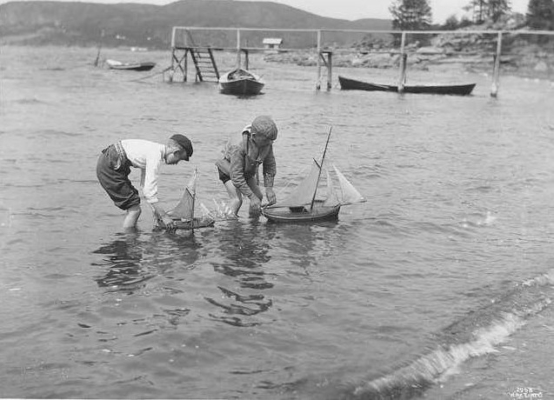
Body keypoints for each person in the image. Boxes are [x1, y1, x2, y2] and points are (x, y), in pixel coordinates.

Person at [96, 134, 193, 230]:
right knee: (135, 210)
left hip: (110, 161)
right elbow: (149, 192)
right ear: (176, 152)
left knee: (133, 202)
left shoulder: (154, 149)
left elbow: (145, 186)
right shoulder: (155, 156)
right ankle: (128, 240)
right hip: (109, 166)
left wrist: (155, 212)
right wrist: (164, 216)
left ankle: (130, 235)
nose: (176, 163)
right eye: (179, 159)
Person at [215, 115, 278, 217]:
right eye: (266, 140)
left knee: (258, 196)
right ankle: (228, 227)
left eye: (272, 140)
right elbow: (236, 176)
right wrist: (251, 197)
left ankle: (253, 225)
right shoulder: (239, 146)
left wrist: (269, 188)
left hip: (247, 169)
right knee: (237, 200)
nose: (270, 143)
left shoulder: (267, 143)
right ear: (253, 136)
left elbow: (270, 166)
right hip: (228, 167)